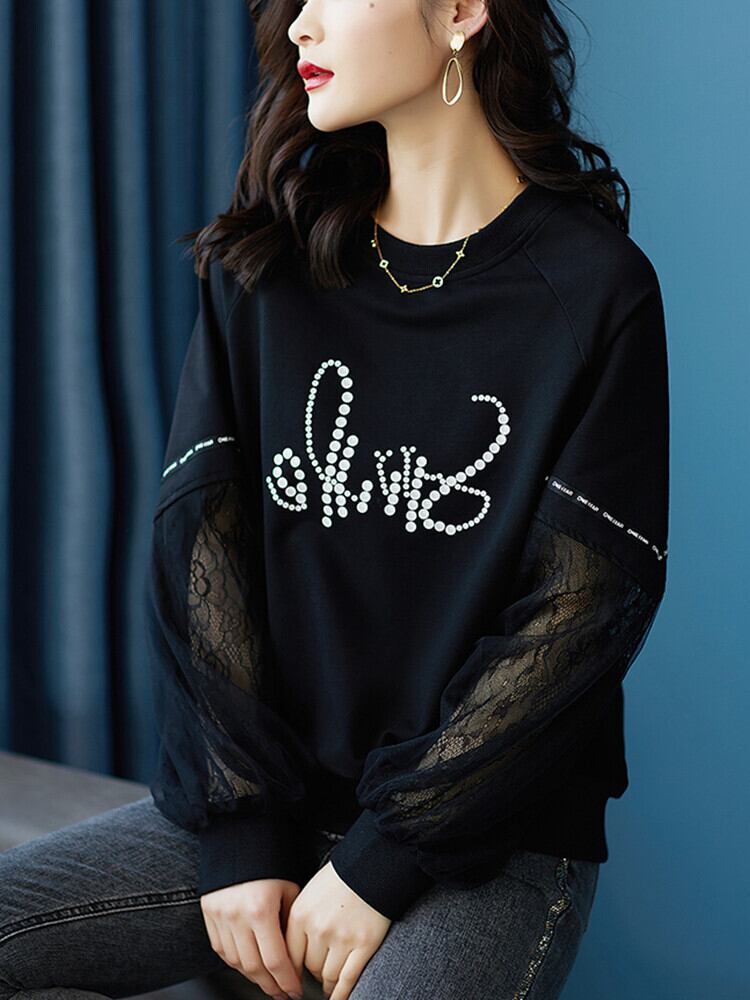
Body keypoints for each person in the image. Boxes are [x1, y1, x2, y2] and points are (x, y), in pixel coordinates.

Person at [0, 1, 670, 999]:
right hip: (279, 798)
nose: (300, 27)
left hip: (486, 834)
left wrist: (377, 864)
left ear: (460, 11)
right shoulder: (268, 264)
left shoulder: (593, 289)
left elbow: (580, 613)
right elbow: (204, 547)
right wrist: (240, 831)